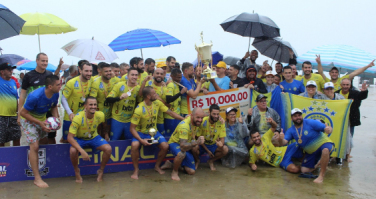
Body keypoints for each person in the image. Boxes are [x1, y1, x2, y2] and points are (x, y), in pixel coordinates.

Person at [130, 86, 184, 179]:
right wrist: (141, 140)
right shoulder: (139, 109)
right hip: (140, 133)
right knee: (135, 145)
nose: (157, 95)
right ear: (148, 96)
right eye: (154, 94)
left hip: (153, 133)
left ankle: (157, 166)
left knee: (165, 146)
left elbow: (170, 113)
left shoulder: (157, 103)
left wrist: (184, 119)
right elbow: (132, 129)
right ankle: (136, 170)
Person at [19, 75, 61, 188]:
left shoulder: (56, 93)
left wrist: (56, 119)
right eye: (58, 84)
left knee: (44, 142)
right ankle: (37, 178)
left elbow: (53, 106)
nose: (60, 86)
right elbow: (23, 113)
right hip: (28, 120)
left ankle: (42, 169)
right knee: (35, 146)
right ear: (50, 86)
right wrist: (40, 123)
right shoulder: (35, 96)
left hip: (42, 119)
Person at [280, 108, 333, 183]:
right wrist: (280, 139)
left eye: (299, 115)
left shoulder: (310, 122)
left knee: (325, 150)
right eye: (295, 116)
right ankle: (319, 162)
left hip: (323, 144)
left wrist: (329, 129)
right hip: (311, 152)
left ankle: (321, 176)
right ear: (292, 118)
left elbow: (327, 128)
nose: (298, 117)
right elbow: (283, 142)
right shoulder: (291, 130)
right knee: (304, 171)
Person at [67, 96, 112, 183]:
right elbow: (69, 137)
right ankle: (77, 171)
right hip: (79, 139)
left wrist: (105, 134)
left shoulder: (100, 115)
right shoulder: (78, 118)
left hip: (94, 137)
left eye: (95, 104)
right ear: (85, 106)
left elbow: (104, 124)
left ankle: (101, 171)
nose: (93, 107)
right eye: (90, 105)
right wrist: (82, 151)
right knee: (73, 151)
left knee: (108, 148)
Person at [18, 53, 53, 145]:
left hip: (45, 111)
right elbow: (22, 96)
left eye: (46, 61)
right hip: (30, 112)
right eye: (42, 61)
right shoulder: (28, 76)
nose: (45, 63)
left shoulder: (50, 75)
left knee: (45, 140)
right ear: (37, 61)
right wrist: (19, 115)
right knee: (34, 143)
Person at [163, 108, 205, 181]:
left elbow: (207, 114)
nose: (200, 120)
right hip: (175, 143)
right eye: (198, 117)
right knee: (181, 154)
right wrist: (197, 142)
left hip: (186, 143)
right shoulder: (185, 126)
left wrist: (219, 117)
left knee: (192, 172)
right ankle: (174, 172)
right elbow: (182, 147)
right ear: (192, 116)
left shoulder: (195, 120)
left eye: (202, 118)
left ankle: (171, 164)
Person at [335, 78, 368, 162]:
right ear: (340, 85)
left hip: (351, 119)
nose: (345, 86)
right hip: (339, 120)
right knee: (338, 137)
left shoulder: (355, 93)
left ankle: (347, 155)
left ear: (350, 85)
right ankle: (336, 154)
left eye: (347, 85)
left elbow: (362, 96)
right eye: (344, 85)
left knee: (350, 138)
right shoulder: (336, 94)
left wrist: (364, 91)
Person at [61, 61, 93, 142]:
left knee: (81, 141)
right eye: (86, 71)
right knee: (67, 142)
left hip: (83, 118)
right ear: (80, 70)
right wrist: (69, 113)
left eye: (90, 71)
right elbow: (63, 99)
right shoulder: (71, 82)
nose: (89, 73)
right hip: (70, 118)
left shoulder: (92, 81)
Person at [106, 68, 141, 140]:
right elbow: (108, 99)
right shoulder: (119, 85)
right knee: (114, 140)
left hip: (129, 120)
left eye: (136, 75)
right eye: (132, 75)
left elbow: (139, 102)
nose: (134, 77)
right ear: (127, 76)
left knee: (129, 141)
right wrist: (119, 98)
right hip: (117, 120)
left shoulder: (138, 88)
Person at [198, 104, 229, 171]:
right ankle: (197, 161)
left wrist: (221, 145)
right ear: (209, 112)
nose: (216, 116)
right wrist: (208, 151)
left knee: (225, 149)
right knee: (194, 147)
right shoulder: (202, 121)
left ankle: (211, 161)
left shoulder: (221, 122)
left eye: (218, 114)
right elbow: (198, 139)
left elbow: (222, 139)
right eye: (214, 114)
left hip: (213, 145)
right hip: (202, 145)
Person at [140, 68, 168, 135]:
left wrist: (159, 99)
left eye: (161, 74)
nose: (159, 75)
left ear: (164, 75)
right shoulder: (148, 83)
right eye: (157, 73)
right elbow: (140, 95)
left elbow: (167, 105)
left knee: (160, 138)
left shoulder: (165, 87)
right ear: (153, 74)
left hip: (159, 118)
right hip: (146, 118)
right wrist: (144, 82)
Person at [90, 63, 114, 140]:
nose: (109, 73)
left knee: (110, 136)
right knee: (101, 136)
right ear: (100, 72)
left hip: (112, 114)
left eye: (110, 71)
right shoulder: (96, 83)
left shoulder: (115, 80)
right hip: (100, 115)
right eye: (106, 71)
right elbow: (92, 100)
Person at [0, 63, 21, 147]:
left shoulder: (13, 82)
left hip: (13, 116)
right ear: (2, 71)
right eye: (8, 69)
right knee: (1, 140)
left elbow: (16, 98)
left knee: (17, 137)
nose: (11, 71)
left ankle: (17, 157)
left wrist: (18, 113)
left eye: (12, 69)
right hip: (1, 116)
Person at [164, 68, 187, 136]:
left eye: (180, 77)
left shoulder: (177, 84)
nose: (179, 79)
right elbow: (168, 100)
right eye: (178, 77)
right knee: (170, 136)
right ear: (172, 76)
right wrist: (181, 93)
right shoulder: (171, 85)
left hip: (176, 116)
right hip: (170, 117)